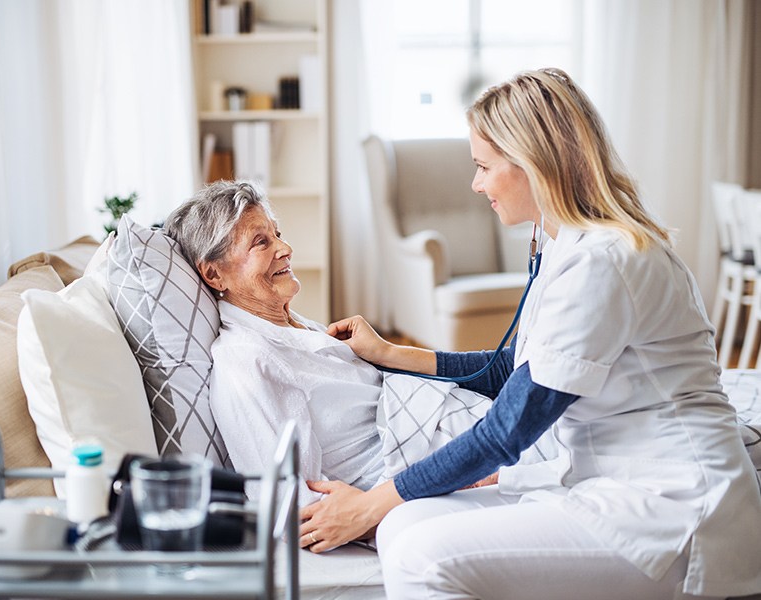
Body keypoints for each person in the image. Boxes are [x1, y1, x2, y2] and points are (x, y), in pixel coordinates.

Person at [298, 68, 761, 599]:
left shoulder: (604, 262)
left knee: (419, 554)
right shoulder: (564, 242)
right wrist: (387, 352)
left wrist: (370, 502)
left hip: (674, 504)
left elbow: (507, 431)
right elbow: (507, 369)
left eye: (483, 167)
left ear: (534, 164)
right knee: (405, 526)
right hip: (605, 477)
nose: (476, 184)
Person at [162, 181, 499, 507]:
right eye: (260, 242)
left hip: (473, 428)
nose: (285, 248)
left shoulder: (297, 328)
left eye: (277, 234)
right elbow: (289, 500)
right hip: (449, 465)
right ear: (214, 274)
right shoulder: (246, 362)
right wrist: (382, 504)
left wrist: (385, 355)